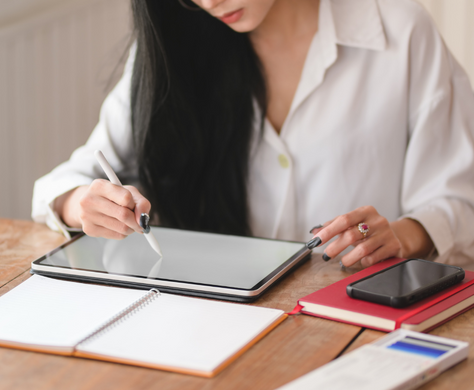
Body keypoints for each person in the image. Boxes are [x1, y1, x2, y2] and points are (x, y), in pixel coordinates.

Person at [33, 0, 474, 267]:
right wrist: (81, 205)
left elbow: (459, 200)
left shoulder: (401, 32)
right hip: (217, 322)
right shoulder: (176, 46)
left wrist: (402, 233)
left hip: (356, 323)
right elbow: (70, 180)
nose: (208, 2)